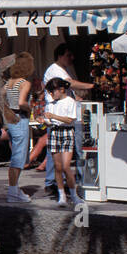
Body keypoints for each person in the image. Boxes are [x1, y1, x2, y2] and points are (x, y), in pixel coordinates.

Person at [2, 53, 35, 203]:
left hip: (9, 120)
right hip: (20, 118)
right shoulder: (24, 83)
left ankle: (13, 189)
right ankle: (13, 191)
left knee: (15, 155)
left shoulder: (9, 82)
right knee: (19, 157)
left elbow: (0, 96)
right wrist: (29, 109)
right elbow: (22, 102)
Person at [44, 76, 79, 208]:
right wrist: (45, 121)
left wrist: (53, 117)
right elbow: (49, 121)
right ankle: (61, 194)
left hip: (67, 132)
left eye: (52, 92)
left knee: (66, 166)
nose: (51, 95)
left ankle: (74, 195)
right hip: (54, 132)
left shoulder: (70, 101)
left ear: (61, 89)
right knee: (57, 166)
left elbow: (70, 120)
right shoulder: (50, 104)